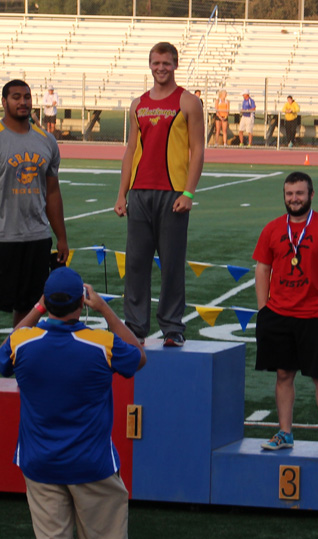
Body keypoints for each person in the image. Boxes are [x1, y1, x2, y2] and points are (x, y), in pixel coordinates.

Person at [0, 266, 146, 539]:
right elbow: (139, 356)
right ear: (81, 302)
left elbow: (4, 351)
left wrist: (37, 307)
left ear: (47, 303)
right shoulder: (100, 343)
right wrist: (104, 309)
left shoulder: (22, 342)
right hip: (91, 463)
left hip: (40, 462)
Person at [0, 78, 69, 390]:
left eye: (27, 97)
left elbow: (52, 192)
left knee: (29, 307)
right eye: (16, 97)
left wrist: (61, 236)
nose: (23, 102)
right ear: (4, 102)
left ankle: (21, 363)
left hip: (36, 239)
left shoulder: (46, 141)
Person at [113, 42, 204, 347]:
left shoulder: (189, 102)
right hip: (139, 194)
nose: (161, 68)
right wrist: (121, 194)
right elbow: (130, 150)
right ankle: (136, 326)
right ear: (149, 64)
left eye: (166, 63)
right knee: (136, 263)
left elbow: (198, 150)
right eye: (156, 63)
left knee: (172, 263)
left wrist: (189, 192)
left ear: (175, 65)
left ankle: (172, 328)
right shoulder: (137, 104)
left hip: (173, 194)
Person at [254, 171, 318, 454]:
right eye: (289, 194)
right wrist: (263, 309)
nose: (294, 199)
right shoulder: (272, 229)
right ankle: (285, 432)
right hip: (279, 314)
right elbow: (262, 268)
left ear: (311, 194)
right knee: (284, 375)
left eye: (299, 193)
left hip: (316, 315)